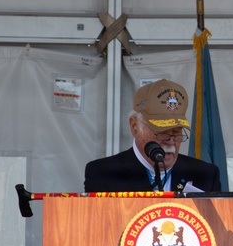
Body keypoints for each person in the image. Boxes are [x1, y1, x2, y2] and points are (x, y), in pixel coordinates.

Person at [84, 78, 222, 193]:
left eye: (176, 133)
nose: (170, 142)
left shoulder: (205, 175)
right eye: (162, 133)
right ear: (135, 127)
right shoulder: (103, 174)